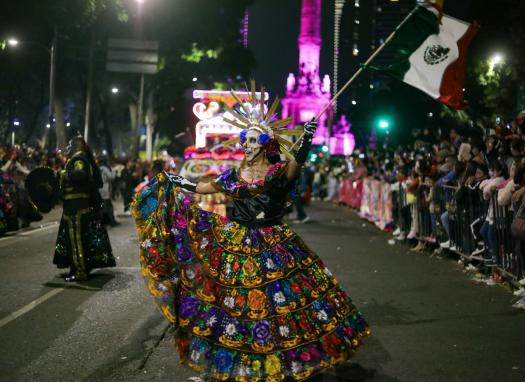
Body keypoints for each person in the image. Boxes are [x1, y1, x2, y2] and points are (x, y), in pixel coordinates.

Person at [132, 93, 369, 381]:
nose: (247, 145)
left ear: (265, 145)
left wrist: (306, 139)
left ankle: (281, 361)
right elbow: (203, 188)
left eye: (253, 141)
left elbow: (295, 168)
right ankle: (238, 361)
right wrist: (175, 181)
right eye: (245, 140)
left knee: (277, 305)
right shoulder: (234, 174)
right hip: (238, 240)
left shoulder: (278, 170)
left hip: (274, 241)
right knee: (233, 303)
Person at [54, 135, 116, 281]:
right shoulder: (83, 159)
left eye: (70, 145)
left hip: (76, 207)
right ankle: (79, 268)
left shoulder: (78, 159)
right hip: (79, 206)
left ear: (77, 147)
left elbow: (80, 174)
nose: (68, 148)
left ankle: (80, 271)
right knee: (79, 238)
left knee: (76, 239)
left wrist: (62, 174)